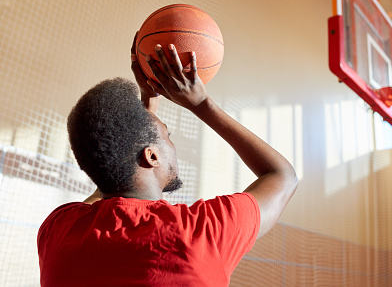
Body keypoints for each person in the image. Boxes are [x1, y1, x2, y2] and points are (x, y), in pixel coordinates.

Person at [37, 37, 298, 287]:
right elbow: (282, 176)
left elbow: (108, 179)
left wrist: (145, 117)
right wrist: (202, 104)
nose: (172, 145)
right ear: (151, 156)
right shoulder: (200, 233)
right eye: (167, 135)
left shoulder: (58, 232)